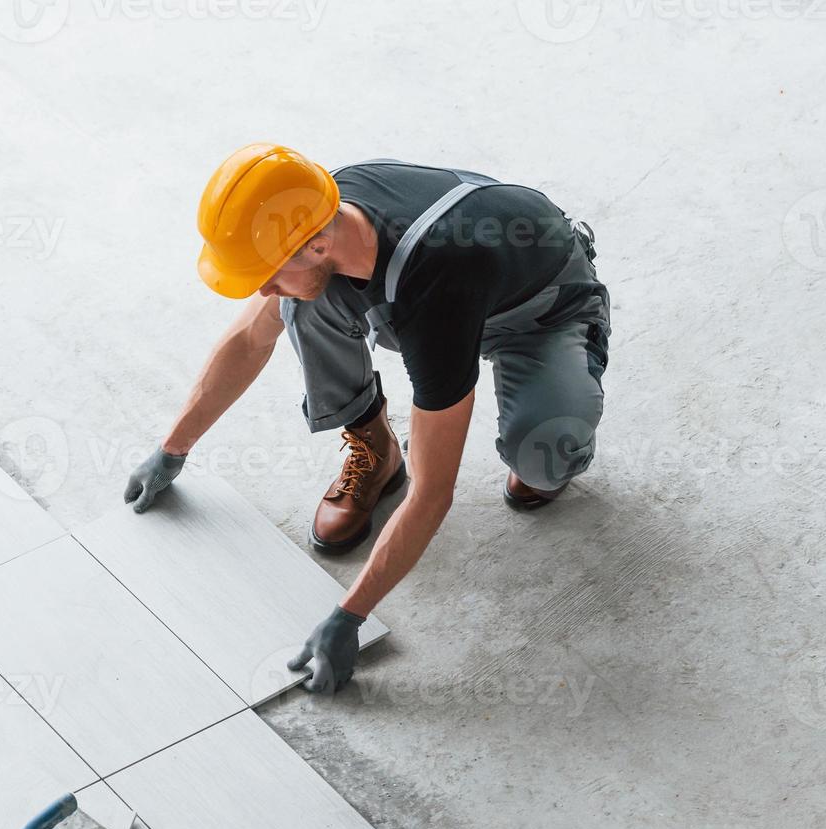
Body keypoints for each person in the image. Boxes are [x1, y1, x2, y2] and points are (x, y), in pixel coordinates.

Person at [124, 144, 610, 694]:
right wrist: (173, 448)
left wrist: (349, 616)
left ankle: (556, 422)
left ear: (316, 244)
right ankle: (377, 453)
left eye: (266, 273)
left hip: (539, 309)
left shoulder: (436, 289)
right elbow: (251, 336)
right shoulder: (315, 209)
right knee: (300, 303)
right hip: (443, 284)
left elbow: (432, 494)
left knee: (542, 456)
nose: (260, 287)